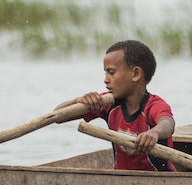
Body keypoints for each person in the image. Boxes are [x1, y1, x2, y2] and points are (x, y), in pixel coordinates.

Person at [60, 39, 177, 172]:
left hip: (162, 183)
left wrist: (155, 132)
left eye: (111, 72)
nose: (105, 80)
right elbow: (58, 117)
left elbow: (168, 123)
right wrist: (78, 101)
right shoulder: (108, 103)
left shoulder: (154, 105)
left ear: (135, 74)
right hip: (122, 183)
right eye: (105, 73)